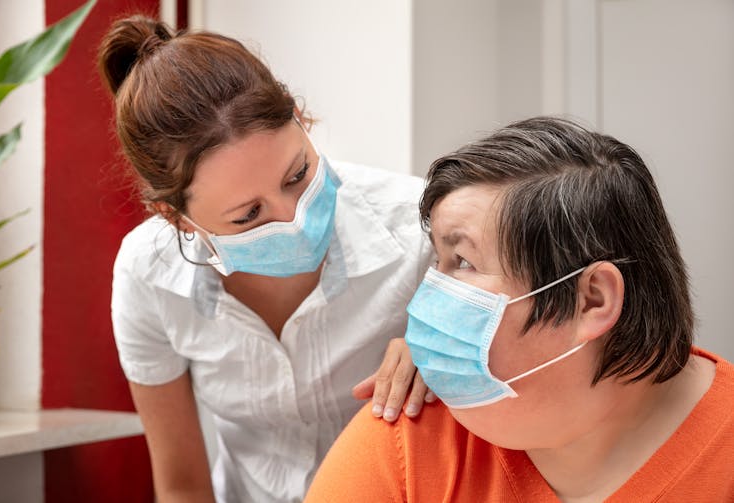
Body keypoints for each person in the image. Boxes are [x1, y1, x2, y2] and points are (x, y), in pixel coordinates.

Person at [304, 116, 734, 502]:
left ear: (593, 299)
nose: (428, 298)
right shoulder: (412, 430)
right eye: (439, 262)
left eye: (464, 263)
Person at [98, 15, 436, 503]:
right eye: (249, 215)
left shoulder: (421, 226)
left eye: (297, 174)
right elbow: (182, 486)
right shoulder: (148, 275)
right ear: (176, 219)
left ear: (302, 119)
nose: (293, 217)